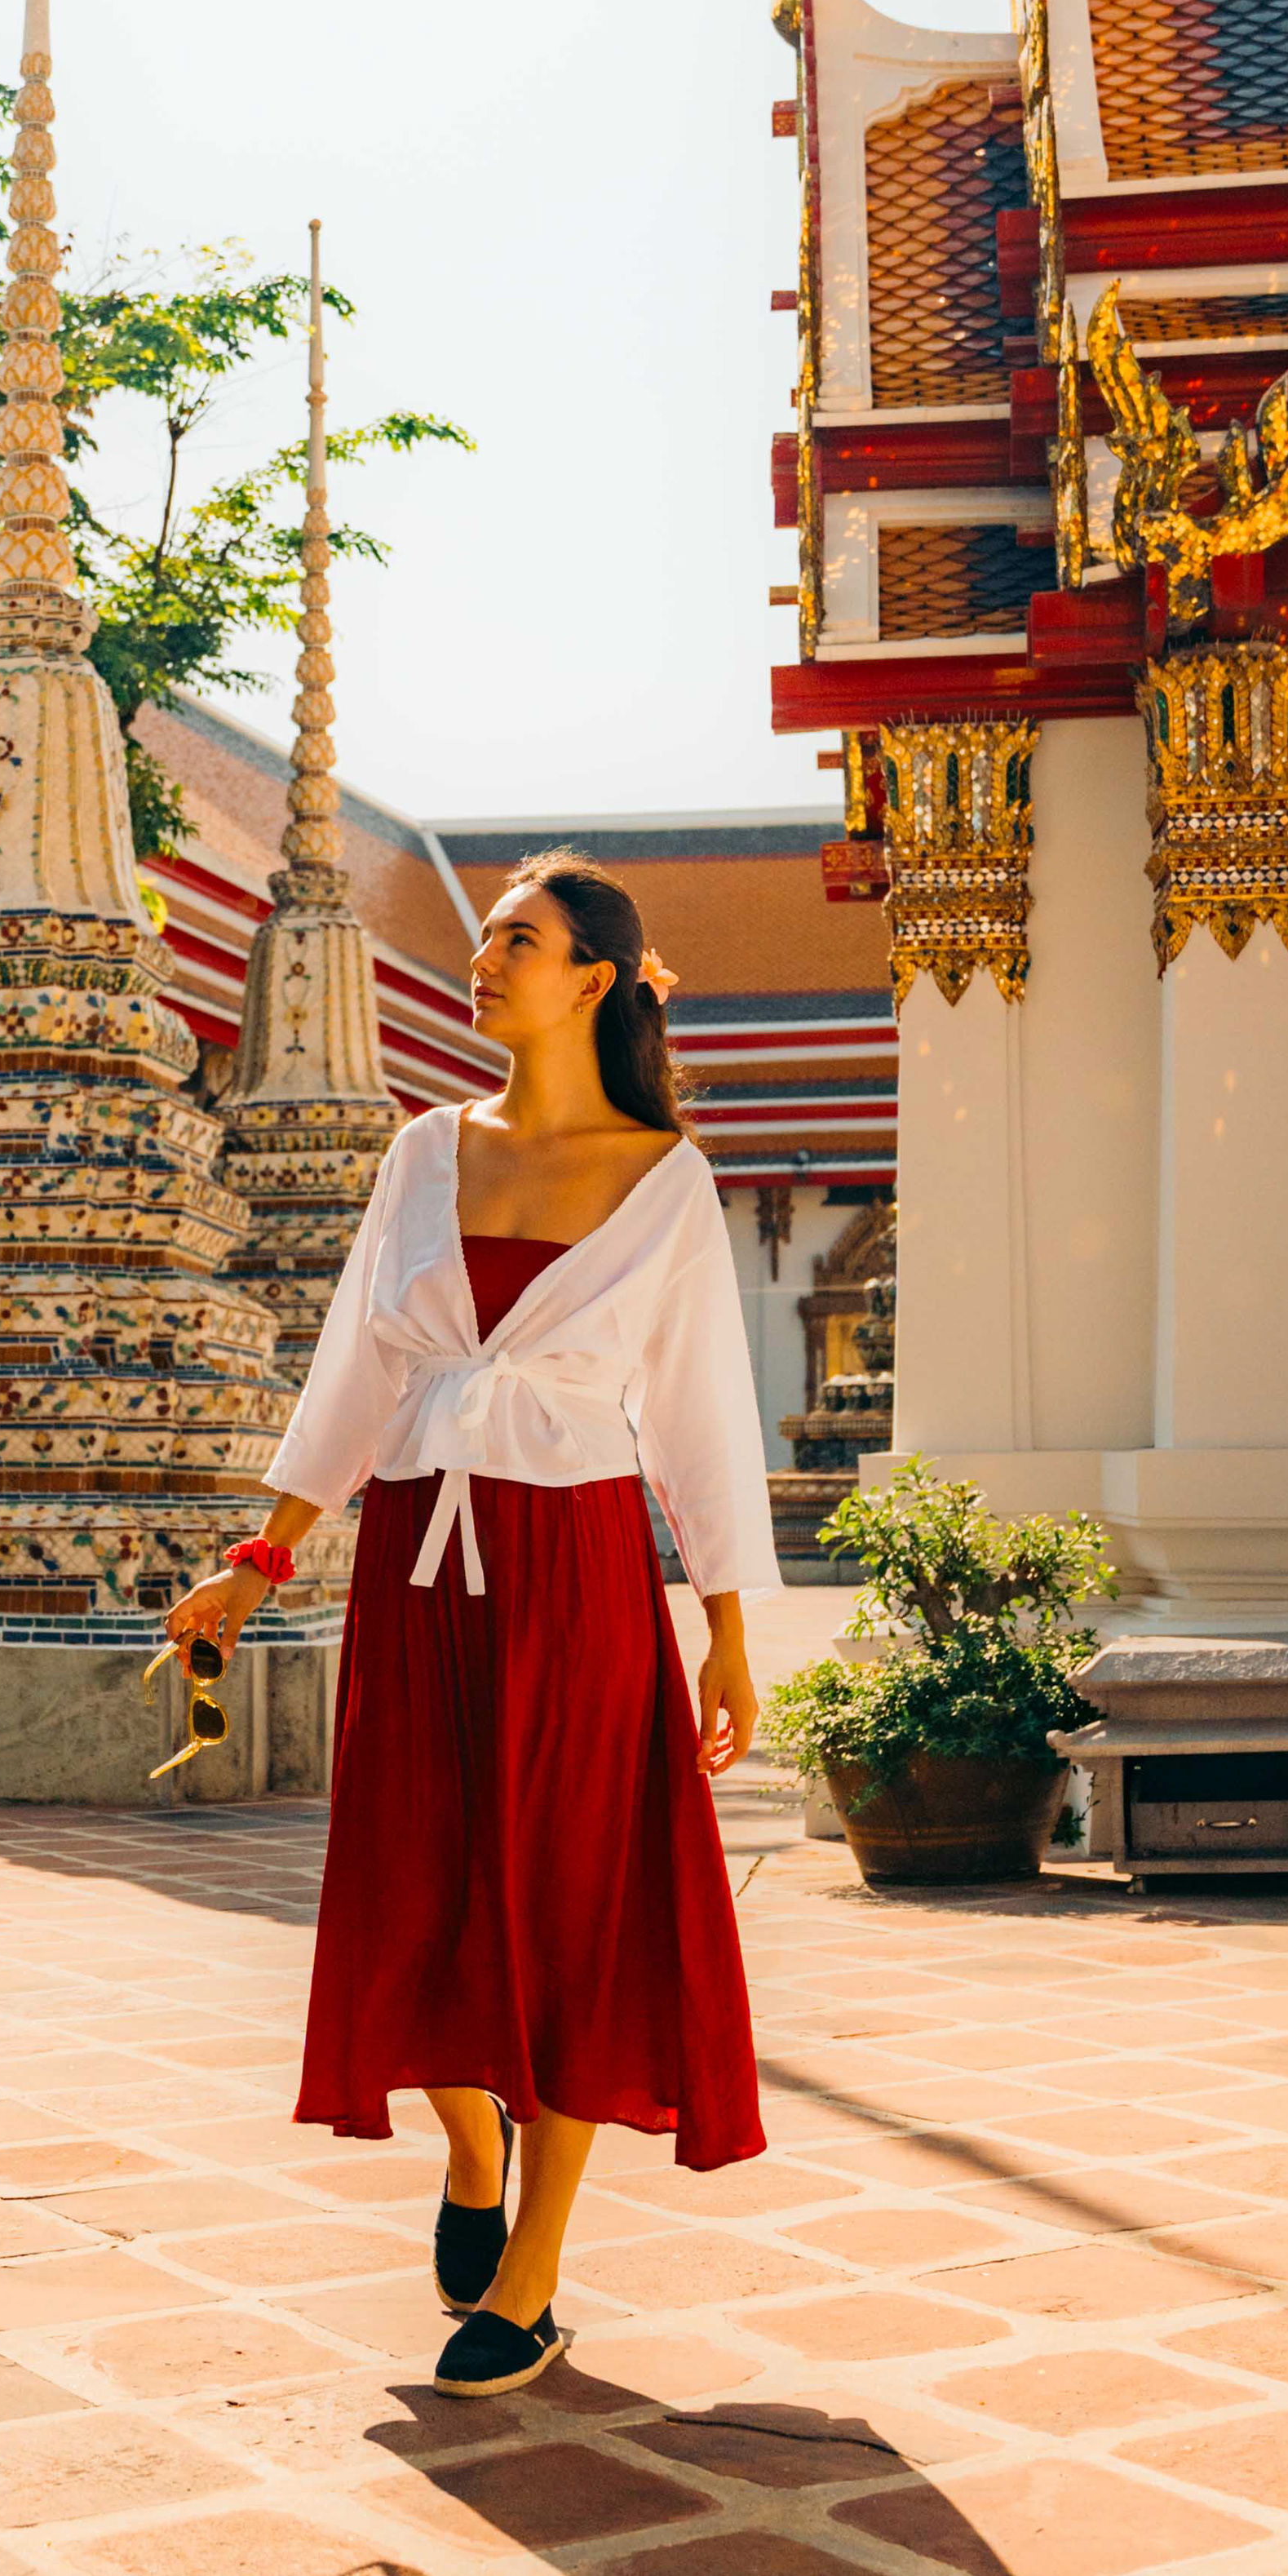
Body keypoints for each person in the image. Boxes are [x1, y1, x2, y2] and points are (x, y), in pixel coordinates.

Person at [166, 853, 780, 2389]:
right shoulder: (424, 1155)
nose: (484, 959)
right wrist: (261, 1558)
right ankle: (465, 2141)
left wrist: (727, 1628)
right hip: (416, 1572)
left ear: (594, 982)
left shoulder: (669, 1178)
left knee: (575, 1900)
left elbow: (704, 1413)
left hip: (576, 1566)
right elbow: (356, 1374)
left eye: (519, 940)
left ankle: (536, 2270)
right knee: (416, 1881)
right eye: (486, 936)